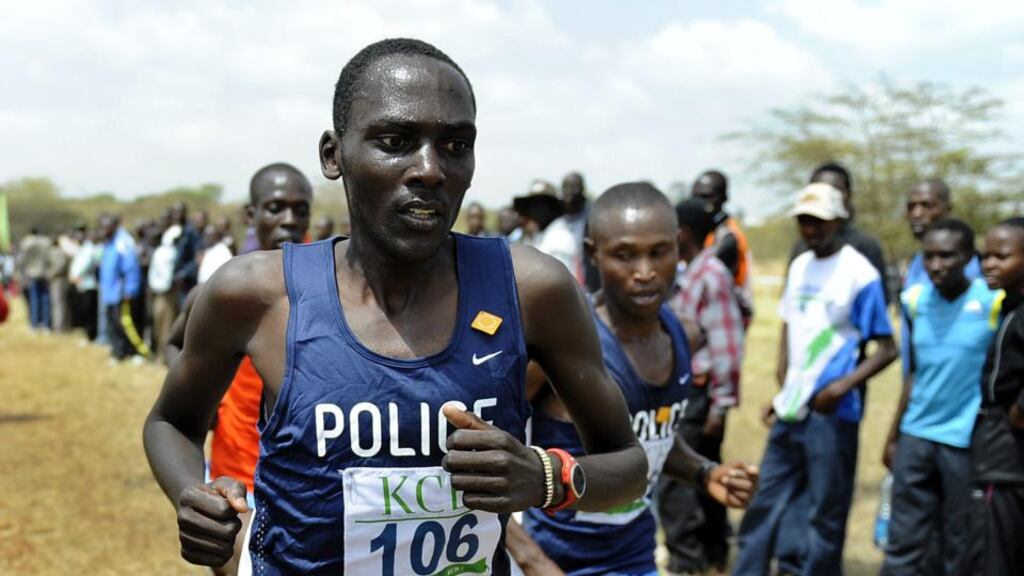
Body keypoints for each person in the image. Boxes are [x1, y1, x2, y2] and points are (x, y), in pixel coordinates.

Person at [143, 38, 647, 575]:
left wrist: (548, 478)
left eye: (455, 144)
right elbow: (171, 422)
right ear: (333, 155)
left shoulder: (532, 288)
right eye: (396, 140)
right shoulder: (257, 294)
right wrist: (193, 497)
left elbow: (629, 465)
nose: (430, 169)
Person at [504, 184, 757, 576]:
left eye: (659, 252)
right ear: (593, 253)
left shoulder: (683, 336)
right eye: (625, 255)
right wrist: (530, 559)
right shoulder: (560, 348)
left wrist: (704, 472)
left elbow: (645, 443)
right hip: (554, 558)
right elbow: (482, 462)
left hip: (633, 555)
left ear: (680, 246)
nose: (644, 272)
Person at [735, 182, 897, 575]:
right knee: (767, 501)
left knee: (825, 510)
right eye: (805, 221)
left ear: (839, 220)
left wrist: (839, 388)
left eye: (820, 221)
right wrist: (784, 382)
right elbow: (790, 326)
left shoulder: (859, 273)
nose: (811, 229)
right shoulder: (801, 265)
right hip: (793, 408)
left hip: (833, 411)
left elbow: (887, 348)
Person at [163, 163, 313, 576]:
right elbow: (173, 341)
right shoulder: (226, 290)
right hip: (237, 470)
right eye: (275, 208)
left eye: (300, 210)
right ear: (251, 216)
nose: (289, 220)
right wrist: (204, 400)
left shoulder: (329, 286)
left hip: (303, 482)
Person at [880, 219, 999, 575]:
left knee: (958, 542)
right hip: (916, 439)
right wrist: (893, 435)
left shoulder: (992, 303)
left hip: (963, 443)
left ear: (967, 257)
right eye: (929, 256)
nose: (936, 265)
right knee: (903, 541)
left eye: (947, 256)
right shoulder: (915, 301)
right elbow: (914, 373)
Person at [656, 199, 746, 574]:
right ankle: (710, 556)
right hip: (686, 392)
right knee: (702, 473)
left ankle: (687, 561)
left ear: (682, 233)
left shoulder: (710, 274)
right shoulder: (688, 272)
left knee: (677, 482)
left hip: (701, 395)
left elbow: (726, 345)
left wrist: (721, 405)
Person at [967, 217, 1024, 576]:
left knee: (996, 554)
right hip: (1000, 450)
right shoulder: (1008, 306)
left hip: (1007, 458)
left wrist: (1019, 411)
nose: (989, 264)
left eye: (1001, 256)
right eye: (985, 256)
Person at [691, 170, 754, 325]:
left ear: (724, 198)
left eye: (707, 197)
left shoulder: (727, 238)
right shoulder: (706, 233)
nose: (701, 203)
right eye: (696, 197)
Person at [98, 214, 148, 361]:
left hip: (121, 293)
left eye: (106, 227)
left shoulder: (123, 243)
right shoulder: (109, 242)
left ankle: (130, 352)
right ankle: (117, 351)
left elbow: (130, 269)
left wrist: (129, 289)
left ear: (113, 226)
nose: (103, 230)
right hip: (110, 293)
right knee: (113, 324)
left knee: (125, 325)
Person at [537, 172, 589, 286]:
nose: (568, 192)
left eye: (573, 187)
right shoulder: (555, 227)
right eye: (565, 188)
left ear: (583, 191)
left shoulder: (593, 221)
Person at [69, 228, 103, 341]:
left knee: (89, 313)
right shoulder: (86, 248)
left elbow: (84, 264)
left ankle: (91, 335)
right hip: (85, 284)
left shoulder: (90, 249)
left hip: (89, 285)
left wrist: (76, 275)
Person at [18, 227, 51, 330]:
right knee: (45, 299)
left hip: (32, 273)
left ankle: (34, 324)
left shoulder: (27, 243)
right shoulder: (45, 242)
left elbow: (22, 260)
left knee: (34, 299)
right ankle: (46, 323)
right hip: (44, 273)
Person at [171, 201, 203, 304]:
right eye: (174, 212)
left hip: (189, 281)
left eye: (178, 212)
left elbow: (198, 257)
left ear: (184, 213)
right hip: (180, 282)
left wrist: (184, 274)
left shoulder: (191, 231)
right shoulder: (179, 231)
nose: (176, 215)